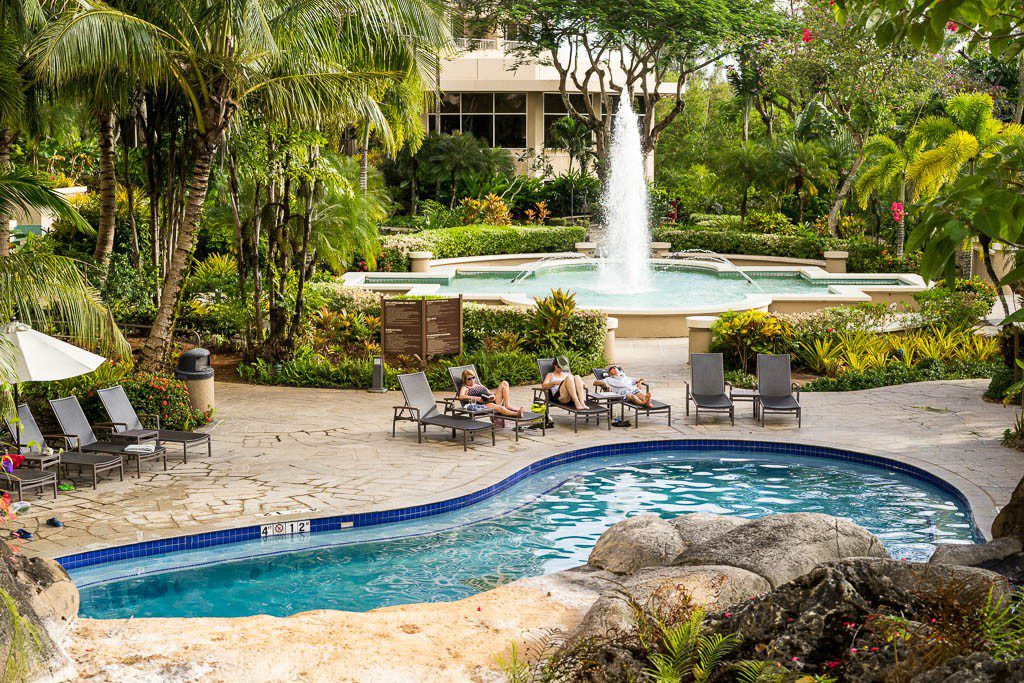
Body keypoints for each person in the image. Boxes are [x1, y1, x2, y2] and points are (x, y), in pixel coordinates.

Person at [459, 369, 525, 418]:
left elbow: (489, 392)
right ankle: (516, 414)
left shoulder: (479, 385)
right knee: (500, 408)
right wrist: (477, 398)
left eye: (473, 378)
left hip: (491, 401)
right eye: (469, 379)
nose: (472, 380)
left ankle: (507, 406)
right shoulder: (465, 387)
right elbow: (461, 396)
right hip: (484, 405)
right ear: (464, 380)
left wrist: (492, 396)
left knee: (504, 383)